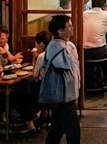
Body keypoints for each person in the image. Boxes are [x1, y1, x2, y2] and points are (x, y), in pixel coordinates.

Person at [43, 16, 81, 144]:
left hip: (66, 94)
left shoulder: (67, 45)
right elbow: (66, 68)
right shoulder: (56, 47)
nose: (72, 28)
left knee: (57, 128)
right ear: (59, 31)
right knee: (73, 129)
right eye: (69, 26)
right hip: (63, 95)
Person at [82, 0, 107, 86]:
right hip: (99, 51)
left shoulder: (84, 14)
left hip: (83, 51)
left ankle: (92, 79)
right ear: (103, 5)